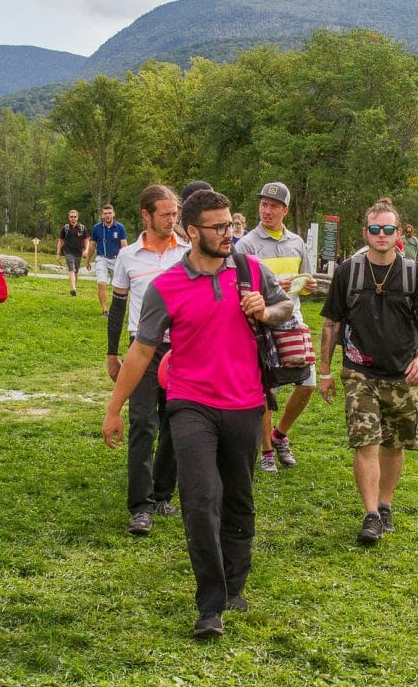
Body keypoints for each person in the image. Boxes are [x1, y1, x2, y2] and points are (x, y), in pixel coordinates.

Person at [102, 189, 293, 639]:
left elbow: (286, 307)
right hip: (190, 405)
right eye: (218, 227)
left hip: (246, 404)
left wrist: (266, 310)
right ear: (192, 232)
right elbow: (142, 350)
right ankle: (210, 605)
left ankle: (235, 586)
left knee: (239, 499)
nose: (229, 234)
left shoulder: (249, 270)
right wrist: (115, 408)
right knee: (201, 501)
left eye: (230, 225)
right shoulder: (167, 286)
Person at [319, 199, 418, 545]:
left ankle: (385, 505)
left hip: (402, 372)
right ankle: (370, 514)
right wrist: (324, 371)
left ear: (398, 233)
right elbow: (331, 323)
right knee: (365, 439)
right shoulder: (348, 272)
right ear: (365, 232)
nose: (381, 235)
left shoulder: (414, 273)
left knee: (393, 442)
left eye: (388, 229)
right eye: (375, 229)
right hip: (359, 371)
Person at [107, 184, 189, 535]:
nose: (173, 220)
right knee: (143, 421)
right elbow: (118, 307)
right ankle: (140, 507)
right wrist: (112, 353)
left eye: (176, 214)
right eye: (166, 214)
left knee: (175, 422)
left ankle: (162, 494)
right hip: (142, 347)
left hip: (184, 347)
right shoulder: (128, 257)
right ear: (146, 214)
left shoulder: (187, 252)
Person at [234, 182, 318, 473]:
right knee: (263, 388)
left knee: (308, 383)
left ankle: (280, 435)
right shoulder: (246, 244)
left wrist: (308, 285)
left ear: (285, 210)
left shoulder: (297, 242)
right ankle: (267, 452)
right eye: (263, 205)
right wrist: (270, 287)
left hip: (293, 320)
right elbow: (240, 286)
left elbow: (304, 280)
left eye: (273, 206)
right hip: (261, 323)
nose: (266, 210)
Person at [86, 204, 128, 316]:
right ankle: (105, 310)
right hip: (101, 258)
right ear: (102, 215)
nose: (107, 215)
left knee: (119, 286)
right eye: (105, 213)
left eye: (109, 213)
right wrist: (88, 259)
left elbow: (124, 245)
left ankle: (117, 309)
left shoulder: (120, 228)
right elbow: (92, 244)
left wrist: (127, 261)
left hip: (116, 259)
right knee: (101, 283)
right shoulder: (97, 228)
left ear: (113, 214)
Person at [55, 209, 89, 296]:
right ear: (69, 218)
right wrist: (58, 253)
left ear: (77, 217)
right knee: (71, 268)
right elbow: (60, 241)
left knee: (76, 271)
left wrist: (86, 250)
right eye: (71, 217)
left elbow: (86, 241)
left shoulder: (82, 228)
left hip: (78, 253)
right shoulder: (65, 228)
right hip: (68, 252)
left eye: (75, 217)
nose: (73, 218)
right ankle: (73, 288)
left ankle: (74, 288)